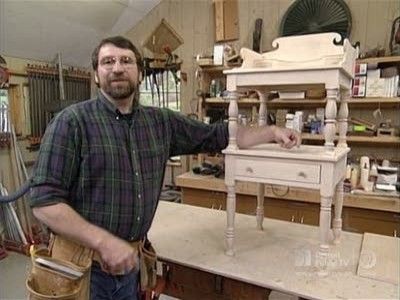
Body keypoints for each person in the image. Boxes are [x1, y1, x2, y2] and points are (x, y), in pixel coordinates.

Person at [30, 36, 301, 300]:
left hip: (130, 265)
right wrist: (103, 242)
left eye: (126, 61)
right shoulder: (72, 123)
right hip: (82, 268)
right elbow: (44, 202)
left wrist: (271, 131)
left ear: (140, 74)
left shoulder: (159, 123)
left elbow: (217, 135)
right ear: (96, 75)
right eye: (107, 62)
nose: (117, 68)